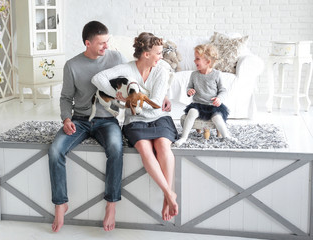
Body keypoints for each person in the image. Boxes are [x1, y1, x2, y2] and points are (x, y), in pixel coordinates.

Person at [48, 21, 127, 232]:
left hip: (107, 120)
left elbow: (131, 82)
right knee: (55, 150)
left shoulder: (117, 58)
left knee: (116, 149)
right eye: (101, 43)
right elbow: (65, 98)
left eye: (107, 42)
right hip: (80, 120)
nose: (106, 47)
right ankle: (60, 203)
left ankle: (111, 204)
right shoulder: (72, 66)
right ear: (87, 43)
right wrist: (66, 120)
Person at [92, 32, 179, 221]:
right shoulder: (127, 69)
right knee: (145, 150)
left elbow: (156, 103)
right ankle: (169, 193)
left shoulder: (161, 70)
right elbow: (97, 79)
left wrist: (134, 100)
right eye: (158, 53)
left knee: (163, 146)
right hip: (135, 121)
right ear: (146, 54)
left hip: (159, 117)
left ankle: (167, 196)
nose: (161, 56)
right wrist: (116, 94)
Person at [174, 44, 234, 147]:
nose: (194, 61)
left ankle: (226, 136)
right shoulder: (194, 75)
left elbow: (223, 90)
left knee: (217, 118)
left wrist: (219, 99)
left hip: (213, 105)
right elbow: (189, 87)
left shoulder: (217, 74)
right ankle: (184, 137)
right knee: (192, 112)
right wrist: (190, 91)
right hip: (198, 104)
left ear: (208, 62)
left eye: (197, 59)